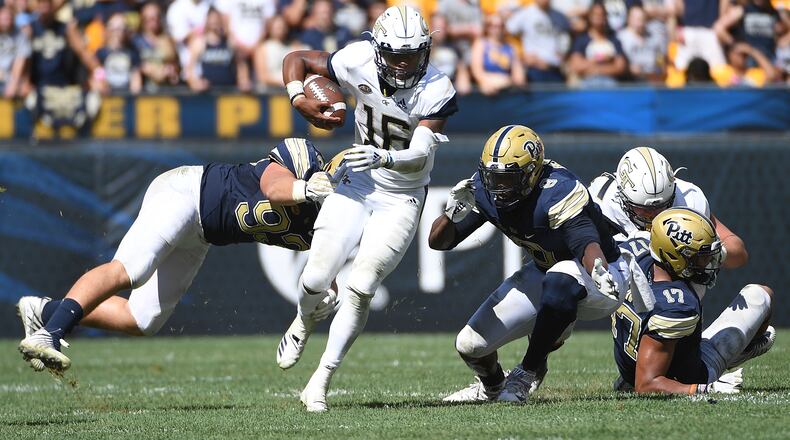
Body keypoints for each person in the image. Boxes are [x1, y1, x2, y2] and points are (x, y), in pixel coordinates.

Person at [17, 138, 339, 372]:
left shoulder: (327, 225)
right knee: (131, 270)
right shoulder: (302, 158)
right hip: (186, 194)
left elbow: (325, 274)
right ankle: (51, 334)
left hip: (202, 235)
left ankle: (45, 312)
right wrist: (307, 189)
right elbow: (274, 188)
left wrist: (322, 302)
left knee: (142, 320)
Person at [279, 5, 457, 412]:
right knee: (315, 279)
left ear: (426, 51)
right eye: (395, 54)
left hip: (402, 194)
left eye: (412, 55)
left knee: (360, 287)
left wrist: (383, 159)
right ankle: (305, 321)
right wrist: (298, 98)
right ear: (377, 49)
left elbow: (418, 153)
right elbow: (296, 60)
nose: (403, 64)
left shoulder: (437, 88)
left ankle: (320, 381)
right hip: (358, 182)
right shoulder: (357, 58)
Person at [432, 125, 629, 403]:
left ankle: (527, 372)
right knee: (470, 344)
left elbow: (585, 242)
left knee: (561, 277)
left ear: (532, 173)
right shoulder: (486, 187)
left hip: (601, 276)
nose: (498, 188)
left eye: (507, 179)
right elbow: (439, 243)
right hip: (546, 272)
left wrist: (597, 266)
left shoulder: (558, 191)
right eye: (493, 177)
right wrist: (451, 214)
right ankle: (493, 386)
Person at [611, 208, 775, 394]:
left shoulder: (632, 254)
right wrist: (705, 388)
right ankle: (744, 351)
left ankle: (633, 376)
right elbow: (647, 385)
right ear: (675, 257)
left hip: (632, 365)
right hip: (679, 376)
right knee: (761, 294)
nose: (708, 263)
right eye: (700, 257)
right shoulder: (676, 304)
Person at [185, 7, 251, 92]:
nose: (214, 22)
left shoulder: (229, 42)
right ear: (207, 21)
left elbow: (241, 63)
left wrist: (243, 80)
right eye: (212, 19)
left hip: (229, 91)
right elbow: (189, 68)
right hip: (208, 94)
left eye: (217, 19)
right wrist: (195, 83)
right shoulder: (200, 43)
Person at [506, 0, 571, 83]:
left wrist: (564, 59)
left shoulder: (560, 16)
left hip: (556, 69)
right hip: (535, 69)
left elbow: (566, 40)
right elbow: (505, 34)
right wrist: (520, 56)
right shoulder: (525, 14)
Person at [567, 2, 628, 87]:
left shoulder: (614, 40)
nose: (598, 17)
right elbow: (576, 66)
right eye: (595, 14)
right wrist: (600, 59)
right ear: (590, 16)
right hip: (587, 83)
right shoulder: (581, 40)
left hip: (610, 83)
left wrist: (596, 70)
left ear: (605, 17)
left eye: (601, 14)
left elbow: (620, 67)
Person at [469, 13, 525, 95]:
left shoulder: (510, 47)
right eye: (493, 26)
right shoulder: (481, 44)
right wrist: (489, 81)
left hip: (507, 90)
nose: (497, 29)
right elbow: (477, 71)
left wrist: (507, 81)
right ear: (487, 27)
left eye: (500, 26)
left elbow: (519, 77)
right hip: (486, 90)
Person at [133, 1, 180, 90]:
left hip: (166, 89)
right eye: (150, 19)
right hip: (144, 89)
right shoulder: (136, 41)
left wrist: (171, 70)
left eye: (156, 17)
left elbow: (175, 62)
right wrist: (149, 70)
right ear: (143, 20)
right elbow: (134, 63)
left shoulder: (167, 39)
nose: (154, 22)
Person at [617, 5, 667, 83]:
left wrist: (659, 68)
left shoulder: (653, 37)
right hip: (630, 80)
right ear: (629, 19)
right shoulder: (621, 38)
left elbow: (660, 59)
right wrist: (628, 68)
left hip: (653, 78)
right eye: (637, 19)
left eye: (643, 19)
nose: (640, 22)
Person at [95, 13, 142, 94]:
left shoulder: (132, 53)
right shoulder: (101, 53)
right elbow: (98, 73)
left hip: (127, 95)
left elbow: (135, 76)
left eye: (121, 28)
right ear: (108, 29)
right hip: (108, 94)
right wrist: (102, 87)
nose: (117, 32)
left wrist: (134, 95)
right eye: (114, 28)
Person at [0, 3, 30, 98]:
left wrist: (13, 83)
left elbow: (20, 61)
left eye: (9, 14)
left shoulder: (20, 35)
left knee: (24, 90)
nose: (7, 17)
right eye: (4, 14)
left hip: (11, 80)